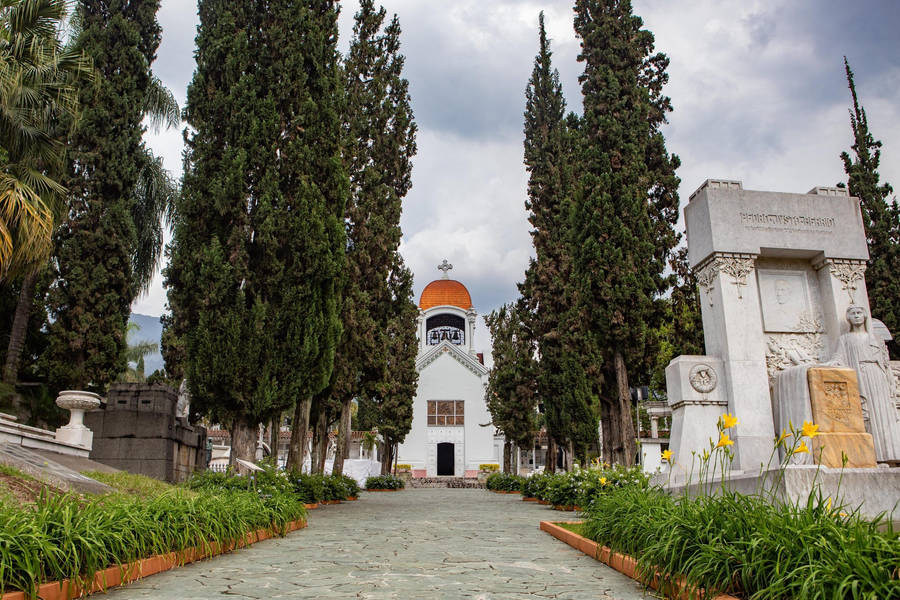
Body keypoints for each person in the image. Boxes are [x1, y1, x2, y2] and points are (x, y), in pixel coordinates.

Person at [831, 305, 900, 463]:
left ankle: (891, 454)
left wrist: (891, 384)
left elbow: (885, 364)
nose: (856, 316)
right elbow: (838, 358)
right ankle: (873, 456)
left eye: (859, 313)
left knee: (884, 414)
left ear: (865, 316)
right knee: (866, 415)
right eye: (853, 314)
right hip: (859, 376)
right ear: (848, 318)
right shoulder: (845, 339)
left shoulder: (875, 338)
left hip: (877, 376)